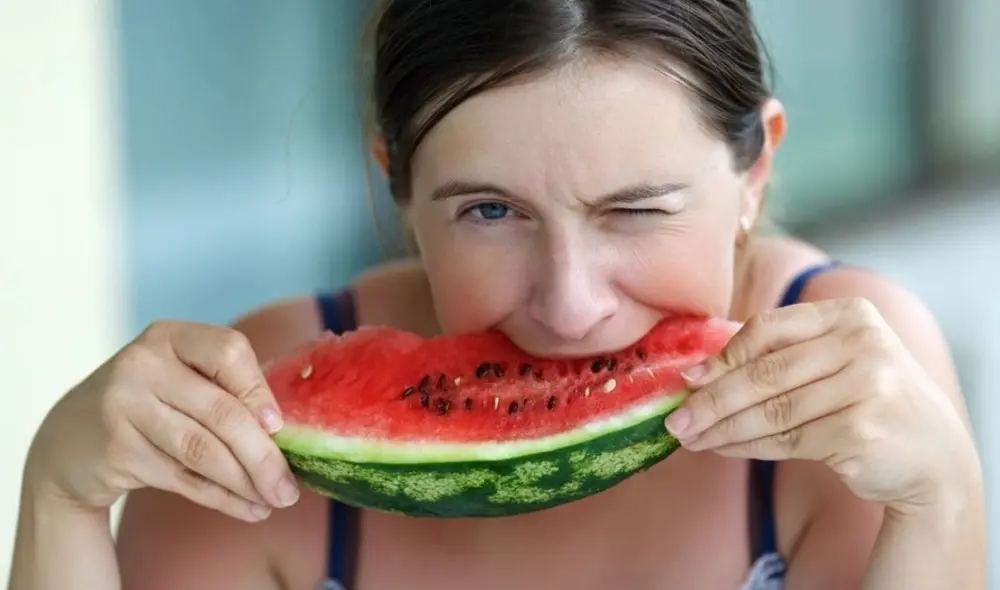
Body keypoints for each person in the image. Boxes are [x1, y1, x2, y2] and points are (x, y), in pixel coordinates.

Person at [9, 1, 985, 589]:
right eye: (488, 210)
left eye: (636, 209)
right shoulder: (254, 418)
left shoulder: (853, 391)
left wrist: (938, 498)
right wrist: (59, 496)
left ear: (756, 170)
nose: (568, 303)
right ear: (394, 181)